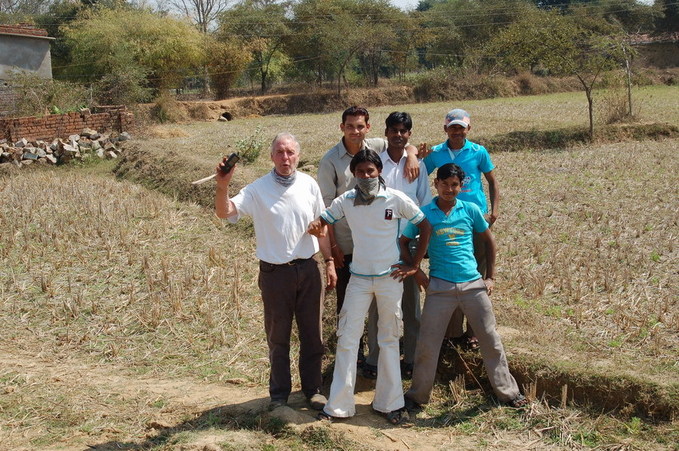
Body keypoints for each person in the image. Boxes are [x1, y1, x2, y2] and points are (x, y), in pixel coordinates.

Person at [215, 132, 337, 411]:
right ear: (271, 157)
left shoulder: (309, 184)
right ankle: (279, 395)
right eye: (280, 152)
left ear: (298, 155)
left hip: (309, 269)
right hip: (275, 274)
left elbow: (322, 227)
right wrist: (223, 186)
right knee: (278, 336)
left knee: (312, 335)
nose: (286, 158)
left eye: (291, 152)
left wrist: (329, 261)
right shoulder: (257, 189)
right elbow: (225, 212)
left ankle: (313, 390)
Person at [308, 149, 432, 425]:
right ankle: (338, 406)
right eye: (360, 172)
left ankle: (390, 404)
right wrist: (316, 225)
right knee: (348, 338)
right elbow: (325, 221)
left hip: (390, 278)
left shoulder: (395, 199)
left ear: (379, 172)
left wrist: (413, 264)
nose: (365, 176)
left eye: (370, 171)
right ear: (353, 174)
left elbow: (425, 225)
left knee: (388, 339)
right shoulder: (347, 200)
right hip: (359, 280)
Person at [400, 163, 527, 412]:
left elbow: (489, 242)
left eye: (455, 185)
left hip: (472, 285)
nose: (449, 189)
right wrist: (417, 273)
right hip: (439, 288)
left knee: (490, 340)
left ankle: (508, 393)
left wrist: (490, 278)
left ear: (461, 186)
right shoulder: (423, 213)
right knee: (428, 344)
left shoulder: (470, 210)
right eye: (445, 184)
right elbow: (403, 242)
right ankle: (417, 396)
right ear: (436, 184)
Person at [317, 106, 421, 366]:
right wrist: (332, 248)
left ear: (368, 128)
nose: (355, 131)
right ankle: (354, 357)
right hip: (347, 244)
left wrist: (411, 155)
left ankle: (383, 359)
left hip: (380, 245)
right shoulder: (330, 161)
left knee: (384, 306)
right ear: (342, 127)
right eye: (350, 126)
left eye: (360, 126)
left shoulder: (376, 145)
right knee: (350, 304)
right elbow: (327, 209)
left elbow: (403, 141)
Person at [420, 108, 500, 351]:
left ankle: (474, 332)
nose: (457, 131)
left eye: (461, 127)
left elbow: (492, 180)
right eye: (452, 127)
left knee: (476, 274)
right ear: (445, 129)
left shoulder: (478, 152)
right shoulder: (436, 153)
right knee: (450, 274)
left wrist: (494, 211)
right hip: (445, 221)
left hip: (473, 219)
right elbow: (418, 173)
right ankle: (452, 332)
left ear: (468, 129)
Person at [362, 111, 433, 381]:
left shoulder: (418, 166)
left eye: (404, 131)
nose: (398, 135)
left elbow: (425, 205)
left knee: (411, 306)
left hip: (410, 243)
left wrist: (421, 245)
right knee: (378, 304)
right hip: (380, 244)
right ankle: (375, 358)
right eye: (394, 130)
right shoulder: (374, 165)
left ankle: (412, 358)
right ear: (386, 132)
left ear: (409, 134)